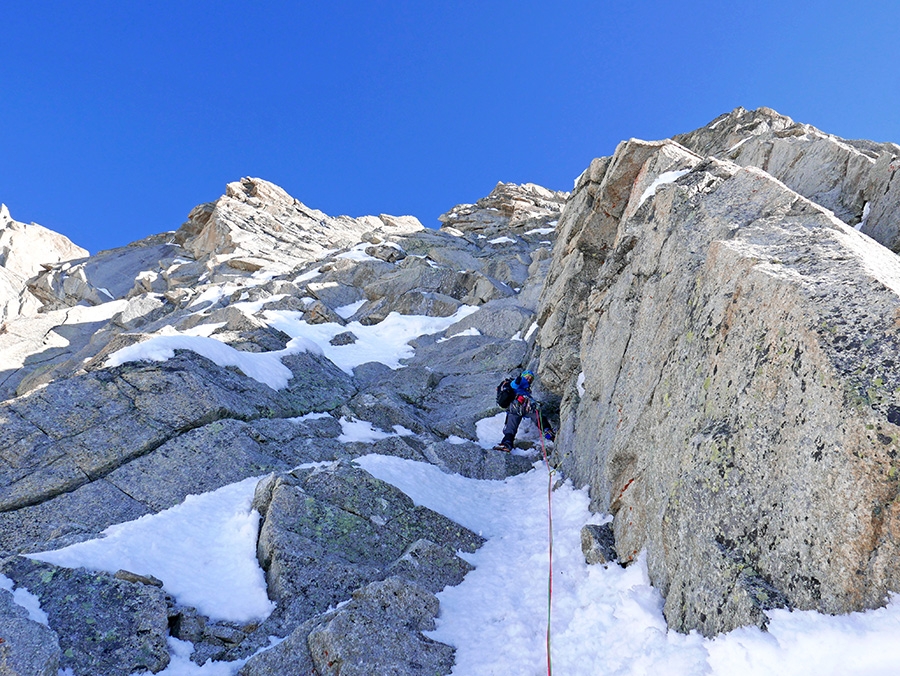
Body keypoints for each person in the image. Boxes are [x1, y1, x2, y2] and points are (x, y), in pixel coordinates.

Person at [494, 369, 555, 452]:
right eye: (528, 377)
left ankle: (507, 443)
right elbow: (514, 385)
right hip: (522, 407)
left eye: (531, 378)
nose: (529, 379)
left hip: (516, 408)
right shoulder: (522, 381)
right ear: (523, 376)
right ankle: (548, 432)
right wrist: (518, 380)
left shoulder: (526, 388)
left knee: (511, 426)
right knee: (538, 417)